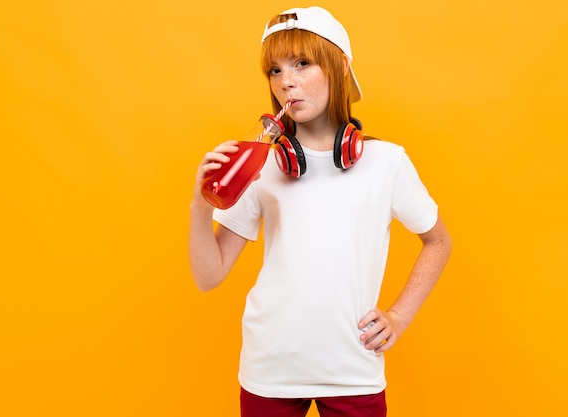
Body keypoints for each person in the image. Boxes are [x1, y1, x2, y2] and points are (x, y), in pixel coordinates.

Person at [189, 6, 452, 417]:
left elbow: (438, 241)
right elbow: (209, 276)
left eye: (302, 63)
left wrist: (399, 316)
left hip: (353, 370)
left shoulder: (388, 162)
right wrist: (199, 206)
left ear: (339, 67)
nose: (286, 81)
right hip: (269, 369)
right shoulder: (262, 166)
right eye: (274, 71)